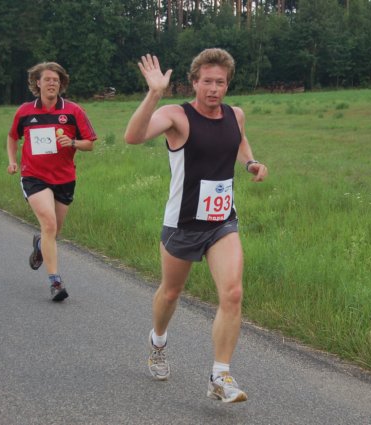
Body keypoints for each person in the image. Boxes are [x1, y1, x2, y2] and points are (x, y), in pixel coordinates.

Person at [124, 48, 268, 403]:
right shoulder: (177, 116)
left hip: (222, 222)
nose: (213, 89)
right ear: (194, 82)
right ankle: (158, 342)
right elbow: (133, 136)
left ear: (227, 84)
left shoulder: (235, 115)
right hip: (183, 223)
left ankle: (220, 375)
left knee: (232, 293)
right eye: (207, 82)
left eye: (220, 82)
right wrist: (154, 94)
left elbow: (239, 140)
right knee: (171, 293)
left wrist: (250, 163)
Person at [7, 62, 97, 302]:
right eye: (47, 79)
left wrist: (73, 142)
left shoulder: (73, 111)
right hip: (34, 176)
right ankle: (55, 282)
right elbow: (12, 137)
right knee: (48, 223)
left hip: (64, 178)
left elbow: (89, 143)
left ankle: (40, 246)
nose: (51, 83)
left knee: (54, 230)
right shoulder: (25, 111)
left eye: (56, 80)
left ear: (61, 84)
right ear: (38, 83)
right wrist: (12, 161)